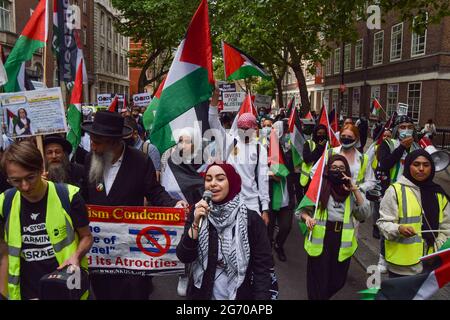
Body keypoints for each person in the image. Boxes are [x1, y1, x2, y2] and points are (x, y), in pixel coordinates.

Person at [81, 111, 187, 300]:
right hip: (102, 256)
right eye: (91, 140)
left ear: (113, 142)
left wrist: (174, 205)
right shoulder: (90, 159)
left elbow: (155, 192)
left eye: (97, 142)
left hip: (132, 256)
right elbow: (83, 196)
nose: (93, 146)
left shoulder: (139, 161)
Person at [0, 140, 93, 300]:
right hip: (25, 292)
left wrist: (76, 256)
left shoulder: (69, 197)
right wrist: (3, 293)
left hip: (67, 289)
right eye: (15, 181)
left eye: (30, 177)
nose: (25, 187)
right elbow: (4, 252)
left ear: (41, 169)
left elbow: (87, 236)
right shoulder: (4, 202)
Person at [176, 163, 273, 300]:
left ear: (232, 182)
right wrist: (196, 223)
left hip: (240, 295)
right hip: (202, 292)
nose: (213, 184)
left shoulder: (251, 219)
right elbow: (184, 256)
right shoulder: (197, 213)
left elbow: (262, 267)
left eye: (220, 179)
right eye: (208, 179)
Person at [298, 155, 370, 300]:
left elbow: (364, 215)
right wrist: (307, 218)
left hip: (342, 241)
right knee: (318, 281)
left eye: (342, 168)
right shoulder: (319, 187)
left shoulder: (351, 190)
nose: (337, 171)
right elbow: (301, 212)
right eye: (334, 168)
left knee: (338, 281)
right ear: (328, 169)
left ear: (347, 171)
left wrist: (354, 190)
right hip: (321, 240)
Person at [377, 149, 450, 277]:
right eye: (416, 164)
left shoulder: (438, 193)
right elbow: (383, 224)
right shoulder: (395, 190)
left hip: (430, 263)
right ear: (408, 166)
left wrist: (437, 248)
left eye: (426, 165)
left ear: (431, 167)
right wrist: (398, 229)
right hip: (401, 266)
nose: (421, 168)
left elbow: (447, 227)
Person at [209, 89, 270, 225]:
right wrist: (215, 98)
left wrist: (265, 208)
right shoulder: (230, 142)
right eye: (241, 128)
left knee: (254, 242)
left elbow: (263, 179)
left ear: (254, 129)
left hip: (252, 203)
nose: (244, 132)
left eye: (248, 129)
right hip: (230, 201)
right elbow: (213, 121)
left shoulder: (260, 149)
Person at [160, 128, 205, 297]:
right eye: (180, 141)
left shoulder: (204, 162)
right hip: (179, 212)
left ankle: (198, 272)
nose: (183, 145)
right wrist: (173, 202)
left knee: (199, 244)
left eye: (188, 141)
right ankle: (183, 274)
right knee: (183, 244)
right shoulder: (171, 161)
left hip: (200, 210)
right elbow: (165, 186)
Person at [267, 121, 296, 262]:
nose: (283, 133)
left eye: (285, 130)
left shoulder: (290, 149)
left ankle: (279, 245)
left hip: (286, 195)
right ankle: (268, 251)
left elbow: (297, 168)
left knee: (286, 226)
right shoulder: (264, 148)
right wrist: (270, 174)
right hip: (271, 195)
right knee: (268, 228)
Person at [378, 115, 420, 185]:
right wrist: (402, 147)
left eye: (410, 127)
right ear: (397, 129)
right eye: (403, 127)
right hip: (391, 186)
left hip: (411, 186)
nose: (407, 130)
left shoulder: (417, 147)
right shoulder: (388, 143)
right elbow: (384, 165)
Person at [123, 116, 161, 181]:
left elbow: (155, 180)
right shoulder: (120, 149)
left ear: (135, 134)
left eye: (126, 135)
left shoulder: (150, 149)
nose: (123, 139)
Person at [300, 124, 328, 193]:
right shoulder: (309, 143)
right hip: (310, 178)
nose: (321, 135)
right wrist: (319, 147)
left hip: (323, 177)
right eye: (319, 133)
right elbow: (307, 159)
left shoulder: (328, 145)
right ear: (315, 133)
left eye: (324, 134)